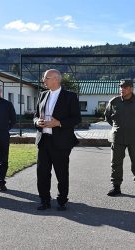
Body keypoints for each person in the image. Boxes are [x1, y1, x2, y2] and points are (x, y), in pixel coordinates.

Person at [34, 69, 81, 211]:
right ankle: (44, 200)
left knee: (61, 173)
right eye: (44, 78)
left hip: (61, 142)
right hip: (44, 140)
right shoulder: (42, 95)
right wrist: (37, 122)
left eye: (46, 78)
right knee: (42, 173)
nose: (44, 80)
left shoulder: (70, 96)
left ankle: (62, 201)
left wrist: (59, 123)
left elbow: (76, 118)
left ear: (56, 79)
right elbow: (35, 116)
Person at [104, 79, 135, 197]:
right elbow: (107, 116)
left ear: (131, 88)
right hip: (117, 137)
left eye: (124, 87)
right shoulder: (114, 101)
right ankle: (116, 187)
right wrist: (117, 127)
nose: (121, 89)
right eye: (120, 87)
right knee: (116, 163)